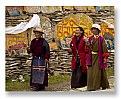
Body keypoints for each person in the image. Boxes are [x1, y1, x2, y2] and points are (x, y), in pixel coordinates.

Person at [86, 24, 110, 91]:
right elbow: (88, 49)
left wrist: (105, 57)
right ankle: (90, 86)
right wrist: (87, 46)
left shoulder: (101, 39)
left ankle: (96, 86)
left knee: (97, 71)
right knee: (90, 72)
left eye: (95, 29)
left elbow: (104, 48)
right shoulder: (90, 38)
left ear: (98, 30)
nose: (93, 30)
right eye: (92, 29)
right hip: (91, 57)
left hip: (98, 57)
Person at [27, 26, 50, 91]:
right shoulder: (33, 41)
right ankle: (36, 85)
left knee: (41, 72)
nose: (37, 34)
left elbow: (47, 50)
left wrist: (46, 58)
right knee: (35, 72)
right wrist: (28, 49)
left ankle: (41, 85)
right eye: (36, 33)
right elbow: (31, 50)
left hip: (42, 59)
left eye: (38, 33)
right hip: (35, 59)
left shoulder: (44, 42)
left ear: (40, 34)